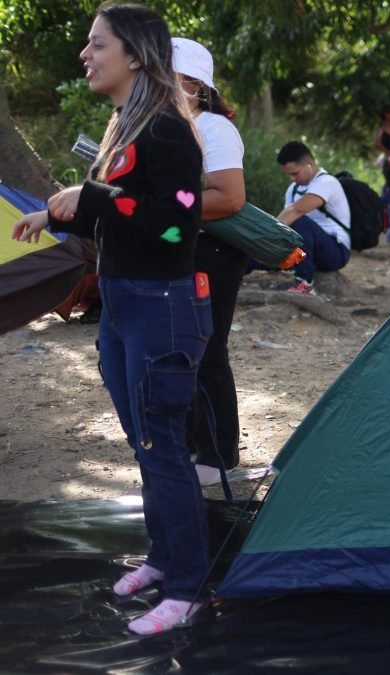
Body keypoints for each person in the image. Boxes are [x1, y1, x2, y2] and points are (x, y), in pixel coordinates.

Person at [12, 3, 210, 634]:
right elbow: (124, 209)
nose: (85, 55)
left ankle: (186, 589)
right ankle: (161, 558)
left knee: (164, 446)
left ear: (135, 54)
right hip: (123, 306)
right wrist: (58, 214)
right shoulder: (124, 121)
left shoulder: (168, 130)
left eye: (97, 44)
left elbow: (178, 223)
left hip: (162, 309)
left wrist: (91, 197)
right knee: (143, 443)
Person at [172, 37, 246, 487]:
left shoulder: (214, 129)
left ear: (195, 85)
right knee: (179, 352)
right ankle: (189, 448)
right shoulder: (166, 128)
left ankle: (219, 455)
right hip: (179, 248)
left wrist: (164, 201)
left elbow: (229, 198)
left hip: (212, 253)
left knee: (207, 352)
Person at [275, 141, 351, 295]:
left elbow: (296, 211)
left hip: (336, 251)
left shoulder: (327, 182)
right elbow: (285, 219)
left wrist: (267, 234)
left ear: (309, 164)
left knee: (299, 221)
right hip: (308, 250)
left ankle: (305, 283)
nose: (292, 179)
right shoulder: (293, 189)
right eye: (289, 174)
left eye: (295, 173)